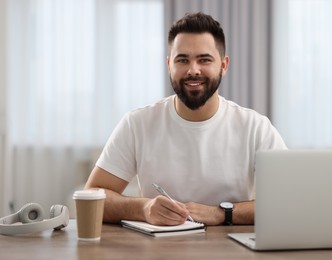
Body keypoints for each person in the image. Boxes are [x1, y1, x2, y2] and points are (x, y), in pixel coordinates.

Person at [84, 12, 287, 226]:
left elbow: (288, 201)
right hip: (159, 249)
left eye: (204, 59)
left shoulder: (256, 127)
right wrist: (143, 208)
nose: (193, 70)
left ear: (224, 65)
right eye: (182, 60)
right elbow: (92, 196)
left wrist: (221, 213)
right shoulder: (137, 123)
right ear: (169, 64)